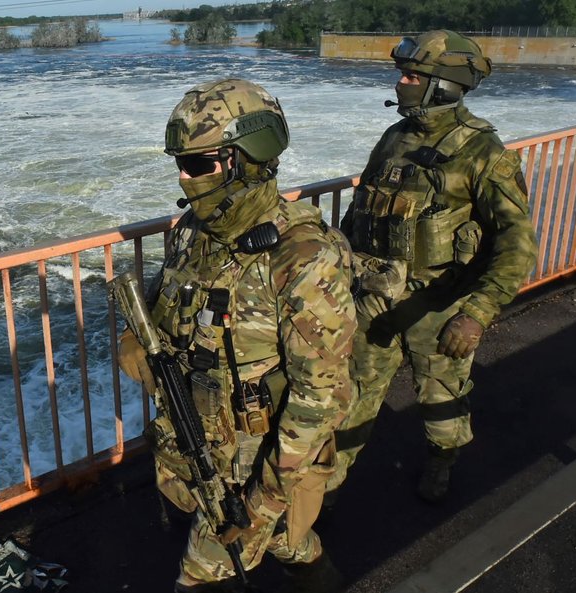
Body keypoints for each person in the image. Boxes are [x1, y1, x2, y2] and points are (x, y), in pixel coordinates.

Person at [118, 78, 356, 593]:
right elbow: (165, 308)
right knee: (289, 545)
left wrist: (261, 501)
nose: (185, 179)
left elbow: (321, 398)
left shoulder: (303, 257)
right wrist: (136, 337)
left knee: (202, 575)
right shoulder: (193, 233)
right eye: (180, 163)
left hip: (260, 467)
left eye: (200, 165)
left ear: (248, 158)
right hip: (196, 441)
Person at [329, 30, 539, 503]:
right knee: (353, 393)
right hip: (376, 298)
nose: (401, 83)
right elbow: (362, 210)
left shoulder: (484, 154)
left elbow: (517, 243)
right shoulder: (395, 137)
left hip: (439, 305)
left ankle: (443, 462)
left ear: (442, 85)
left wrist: (477, 312)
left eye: (412, 76)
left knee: (441, 396)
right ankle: (328, 483)